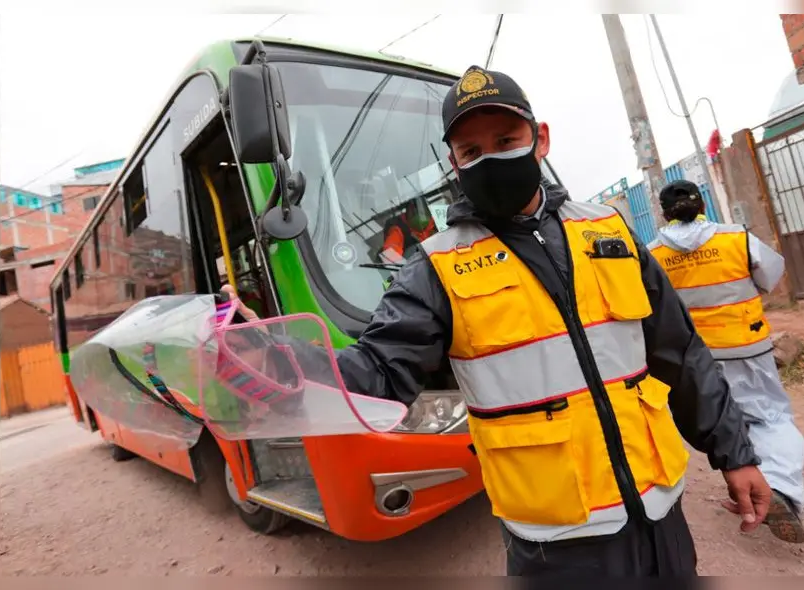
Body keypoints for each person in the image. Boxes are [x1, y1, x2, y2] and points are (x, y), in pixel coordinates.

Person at [249, 66, 773, 577]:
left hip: (659, 514)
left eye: (505, 140)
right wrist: (275, 362)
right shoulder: (435, 268)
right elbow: (379, 373)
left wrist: (734, 453)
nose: (491, 159)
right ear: (454, 164)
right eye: (472, 151)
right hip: (557, 543)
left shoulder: (608, 232)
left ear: (540, 139)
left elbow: (681, 353)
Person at [646, 180, 804, 544]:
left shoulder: (652, 254)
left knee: (721, 421)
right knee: (769, 418)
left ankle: (749, 482)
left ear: (664, 213)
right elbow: (770, 277)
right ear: (702, 205)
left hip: (693, 358)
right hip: (745, 347)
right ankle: (781, 488)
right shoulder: (736, 238)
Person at [379, 198, 438, 264]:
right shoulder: (398, 229)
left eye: (421, 209)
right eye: (413, 209)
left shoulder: (437, 221)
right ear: (408, 209)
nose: (417, 211)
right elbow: (389, 253)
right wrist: (407, 268)